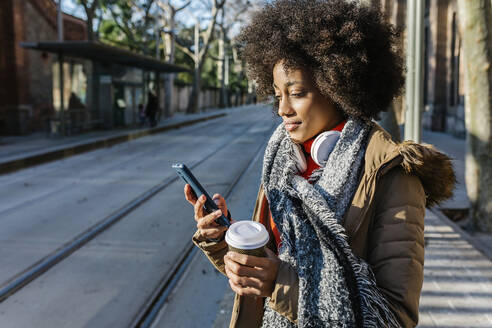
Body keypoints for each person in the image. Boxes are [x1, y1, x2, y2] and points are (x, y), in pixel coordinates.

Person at [183, 1, 455, 327]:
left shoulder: (393, 176)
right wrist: (224, 238)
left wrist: (279, 283)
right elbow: (267, 265)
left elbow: (394, 317)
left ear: (337, 86)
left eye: (296, 93)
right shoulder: (282, 162)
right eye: (276, 94)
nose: (282, 109)